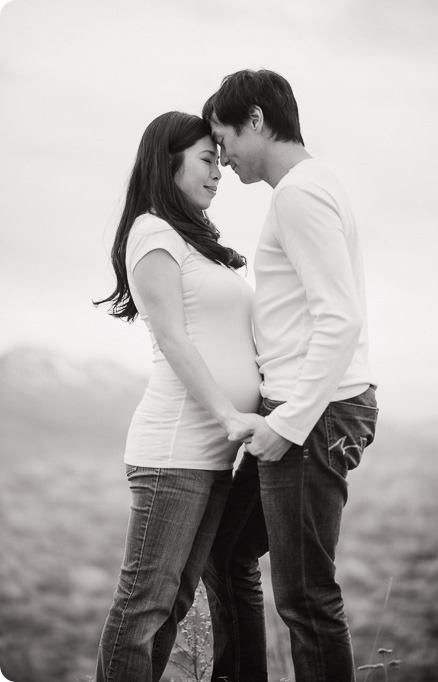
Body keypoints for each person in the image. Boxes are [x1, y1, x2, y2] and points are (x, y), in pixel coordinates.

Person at [201, 70, 379, 682]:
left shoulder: (299, 193)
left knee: (306, 598)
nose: (220, 158)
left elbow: (340, 318)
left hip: (313, 414)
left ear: (255, 118)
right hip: (305, 409)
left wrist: (290, 424)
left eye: (222, 138)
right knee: (225, 551)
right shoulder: (307, 188)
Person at [93, 111, 261, 682]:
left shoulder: (196, 242)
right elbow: (171, 335)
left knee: (173, 604)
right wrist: (227, 415)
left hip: (210, 454)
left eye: (220, 160)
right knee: (143, 607)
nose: (219, 173)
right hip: (173, 452)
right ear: (170, 164)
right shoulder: (151, 232)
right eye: (207, 161)